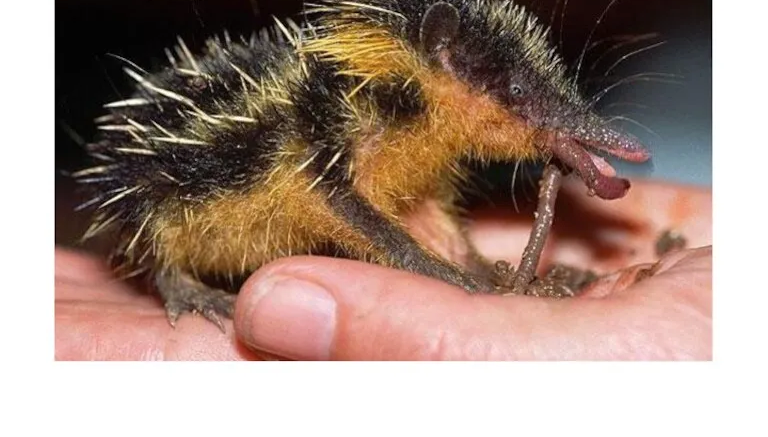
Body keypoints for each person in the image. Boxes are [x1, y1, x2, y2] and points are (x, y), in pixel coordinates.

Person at [55, 179, 711, 360]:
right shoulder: (351, 148)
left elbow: (412, 213)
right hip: (178, 212)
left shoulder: (414, 161)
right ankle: (175, 277)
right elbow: (344, 202)